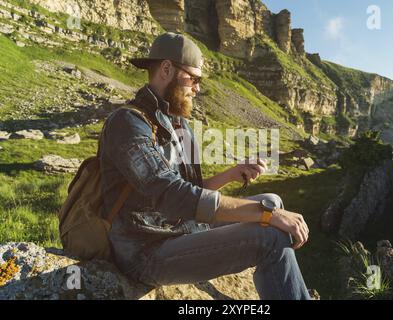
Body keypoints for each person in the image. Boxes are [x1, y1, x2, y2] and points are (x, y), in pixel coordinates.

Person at [99, 32, 311, 300]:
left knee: (272, 200)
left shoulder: (179, 124)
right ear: (166, 69)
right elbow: (171, 194)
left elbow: (191, 190)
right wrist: (265, 215)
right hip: (146, 250)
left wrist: (231, 174)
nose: (197, 88)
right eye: (194, 78)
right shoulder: (128, 123)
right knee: (270, 234)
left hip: (183, 228)